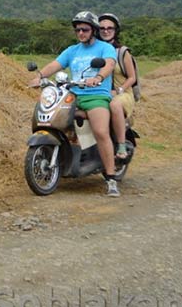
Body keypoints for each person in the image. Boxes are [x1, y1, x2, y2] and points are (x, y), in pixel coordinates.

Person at [28, 11, 121, 197]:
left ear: (93, 30)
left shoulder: (104, 48)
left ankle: (111, 179)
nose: (80, 33)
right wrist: (39, 76)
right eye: (77, 30)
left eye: (85, 29)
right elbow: (56, 64)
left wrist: (98, 77)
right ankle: (68, 156)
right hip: (74, 94)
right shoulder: (72, 50)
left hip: (96, 95)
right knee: (57, 120)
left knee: (101, 132)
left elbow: (109, 65)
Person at [98, 13, 137, 160]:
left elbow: (132, 77)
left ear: (116, 30)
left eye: (110, 28)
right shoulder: (95, 50)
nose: (106, 31)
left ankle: (121, 145)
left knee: (114, 105)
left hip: (122, 94)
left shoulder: (122, 52)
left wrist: (118, 91)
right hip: (99, 92)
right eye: (102, 28)